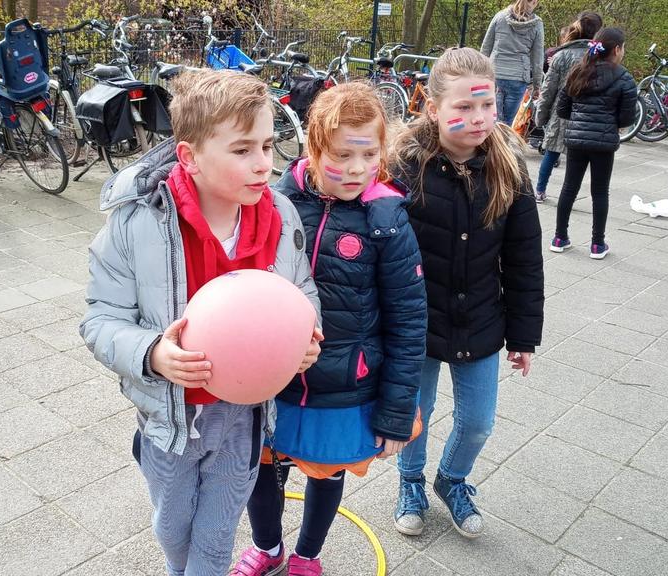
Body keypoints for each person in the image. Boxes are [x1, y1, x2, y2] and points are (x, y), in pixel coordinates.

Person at [79, 69, 323, 576]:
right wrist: (152, 354)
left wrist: (305, 335)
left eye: (268, 144)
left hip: (245, 415)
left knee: (215, 536)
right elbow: (101, 320)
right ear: (189, 157)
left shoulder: (280, 216)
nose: (264, 164)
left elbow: (300, 292)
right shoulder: (137, 221)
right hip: (169, 419)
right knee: (172, 526)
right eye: (242, 150)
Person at [229, 83, 427, 576]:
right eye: (343, 154)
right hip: (274, 377)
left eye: (370, 154)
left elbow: (408, 320)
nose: (358, 169)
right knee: (263, 467)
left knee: (325, 470)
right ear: (314, 149)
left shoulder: (388, 222)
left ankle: (307, 556)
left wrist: (396, 411)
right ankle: (268, 547)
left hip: (343, 384)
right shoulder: (275, 203)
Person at [391, 47, 545, 538]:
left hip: (480, 319)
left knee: (478, 421)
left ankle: (451, 480)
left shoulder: (509, 169)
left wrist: (524, 334)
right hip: (416, 321)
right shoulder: (401, 168)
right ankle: (410, 480)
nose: (479, 118)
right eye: (463, 107)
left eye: (488, 105)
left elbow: (524, 259)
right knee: (415, 413)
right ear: (433, 109)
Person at [549, 27, 637, 260]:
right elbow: (627, 117)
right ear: (617, 49)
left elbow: (562, 109)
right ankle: (597, 244)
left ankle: (559, 237)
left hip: (576, 140)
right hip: (604, 143)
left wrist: (580, 120)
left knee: (569, 187)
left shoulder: (577, 72)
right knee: (600, 192)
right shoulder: (624, 77)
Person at [533, 11, 604, 202]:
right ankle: (568, 196)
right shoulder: (599, 58)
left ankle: (539, 190)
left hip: (560, 113)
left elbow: (549, 90)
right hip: (588, 115)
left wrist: (541, 115)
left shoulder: (561, 55)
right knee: (576, 162)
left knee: (551, 153)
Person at [480, 0, 545, 125]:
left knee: (492, 120)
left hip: (495, 74)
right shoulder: (537, 24)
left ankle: (489, 143)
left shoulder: (500, 16)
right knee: (507, 123)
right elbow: (538, 58)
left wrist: (479, 73)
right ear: (535, 2)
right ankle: (503, 143)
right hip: (518, 78)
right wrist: (537, 85)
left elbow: (485, 48)